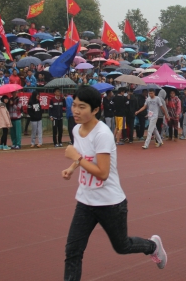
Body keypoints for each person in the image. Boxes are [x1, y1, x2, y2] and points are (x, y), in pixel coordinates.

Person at [61, 86, 167, 280]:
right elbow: (82, 156)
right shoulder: (77, 129)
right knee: (73, 250)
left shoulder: (102, 134)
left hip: (110, 203)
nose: (75, 110)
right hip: (85, 200)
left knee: (122, 246)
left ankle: (152, 246)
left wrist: (76, 158)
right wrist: (72, 167)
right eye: (74, 105)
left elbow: (102, 173)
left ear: (95, 109)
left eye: (82, 107)